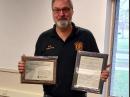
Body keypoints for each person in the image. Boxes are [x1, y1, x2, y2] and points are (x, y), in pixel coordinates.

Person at [18, 0, 109, 97]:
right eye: (57, 10)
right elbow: (36, 68)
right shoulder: (43, 38)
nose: (61, 14)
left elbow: (96, 68)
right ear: (52, 13)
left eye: (65, 9)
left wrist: (101, 75)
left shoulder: (86, 36)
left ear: (72, 11)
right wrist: (26, 68)